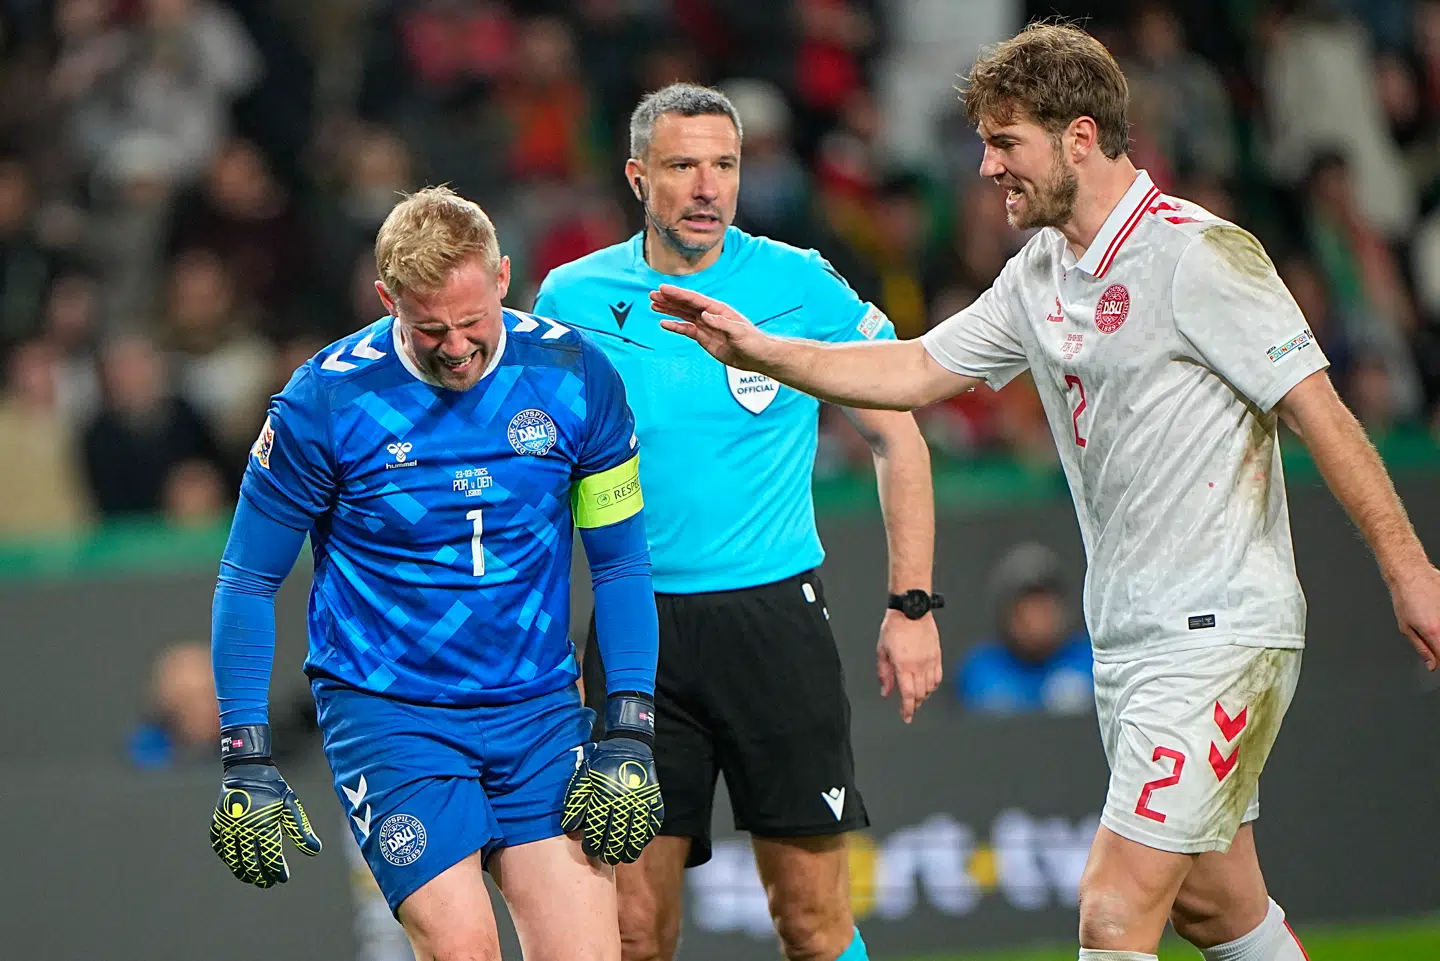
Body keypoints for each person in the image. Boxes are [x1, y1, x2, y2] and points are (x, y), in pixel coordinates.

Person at [651, 24, 1440, 961]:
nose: (986, 167)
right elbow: (912, 369)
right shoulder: (1040, 273)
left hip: (1219, 630)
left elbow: (1321, 413)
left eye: (1005, 142)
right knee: (1215, 905)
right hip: (1131, 639)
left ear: (1078, 137)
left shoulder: (1198, 255)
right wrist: (759, 350)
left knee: (1113, 912)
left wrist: (1410, 569)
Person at [533, 83, 939, 961]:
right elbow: (537, 485)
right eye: (683, 165)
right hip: (639, 636)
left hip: (774, 624)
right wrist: (545, 644)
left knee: (813, 922)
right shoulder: (572, 296)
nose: (708, 185)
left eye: (725, 164)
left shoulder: (797, 283)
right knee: (635, 931)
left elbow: (897, 435)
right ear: (639, 176)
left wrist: (912, 604)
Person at [207, 186, 665, 961]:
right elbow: (247, 579)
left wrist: (630, 727)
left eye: (471, 323)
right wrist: (244, 754)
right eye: (429, 330)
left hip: (538, 710)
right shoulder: (324, 402)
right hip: (392, 716)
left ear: (503, 277)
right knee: (462, 950)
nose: (456, 348)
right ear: (387, 298)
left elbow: (620, 564)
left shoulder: (577, 377)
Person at [956, 542, 1092, 715]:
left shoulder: (1093, 661)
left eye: (1044, 606)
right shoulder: (981, 670)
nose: (1036, 620)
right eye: (1026, 608)